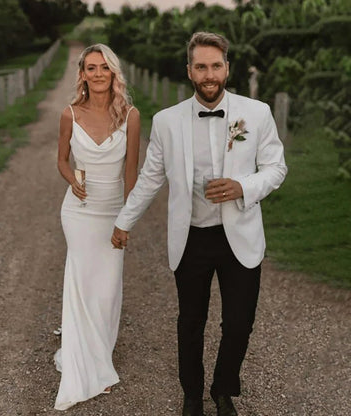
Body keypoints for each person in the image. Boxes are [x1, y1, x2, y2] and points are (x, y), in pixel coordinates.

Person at [111, 32, 287, 416]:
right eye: (201, 66)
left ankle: (223, 389)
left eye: (216, 66)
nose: (210, 74)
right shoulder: (166, 122)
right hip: (190, 238)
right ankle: (191, 395)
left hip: (238, 235)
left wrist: (243, 185)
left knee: (239, 324)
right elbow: (151, 178)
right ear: (190, 72)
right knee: (190, 322)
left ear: (227, 68)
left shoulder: (256, 113)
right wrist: (124, 221)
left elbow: (276, 168)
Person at [54, 43, 140, 411]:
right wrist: (71, 178)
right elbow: (61, 159)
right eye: (91, 68)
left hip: (113, 210)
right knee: (81, 282)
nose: (98, 73)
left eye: (104, 67)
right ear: (83, 75)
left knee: (106, 290)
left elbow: (131, 173)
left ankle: (99, 354)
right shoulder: (69, 114)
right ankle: (88, 367)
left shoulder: (131, 116)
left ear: (113, 73)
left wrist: (127, 220)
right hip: (79, 211)